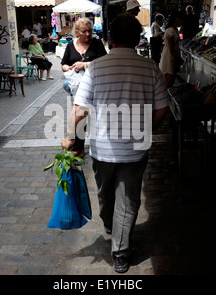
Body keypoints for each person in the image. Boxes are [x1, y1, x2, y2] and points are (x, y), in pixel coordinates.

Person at [61, 14, 169, 273]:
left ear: (110, 38)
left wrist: (71, 138)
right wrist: (146, 129)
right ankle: (117, 236)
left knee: (107, 194)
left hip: (102, 149)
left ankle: (118, 245)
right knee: (127, 199)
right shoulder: (150, 67)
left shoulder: (96, 67)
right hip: (135, 149)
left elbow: (79, 109)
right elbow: (163, 109)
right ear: (137, 39)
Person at [61, 17, 107, 157]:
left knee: (89, 117)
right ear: (77, 32)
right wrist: (67, 67)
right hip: (76, 86)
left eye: (90, 31)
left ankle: (93, 147)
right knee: (80, 116)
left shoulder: (97, 44)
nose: (87, 34)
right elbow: (63, 64)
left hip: (95, 86)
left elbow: (104, 62)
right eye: (84, 31)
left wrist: (85, 65)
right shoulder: (70, 46)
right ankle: (78, 147)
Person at [159, 11, 184, 89]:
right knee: (168, 81)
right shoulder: (171, 31)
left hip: (171, 56)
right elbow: (171, 48)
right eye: (181, 19)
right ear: (176, 19)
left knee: (171, 80)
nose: (182, 21)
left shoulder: (174, 29)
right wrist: (178, 59)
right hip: (169, 57)